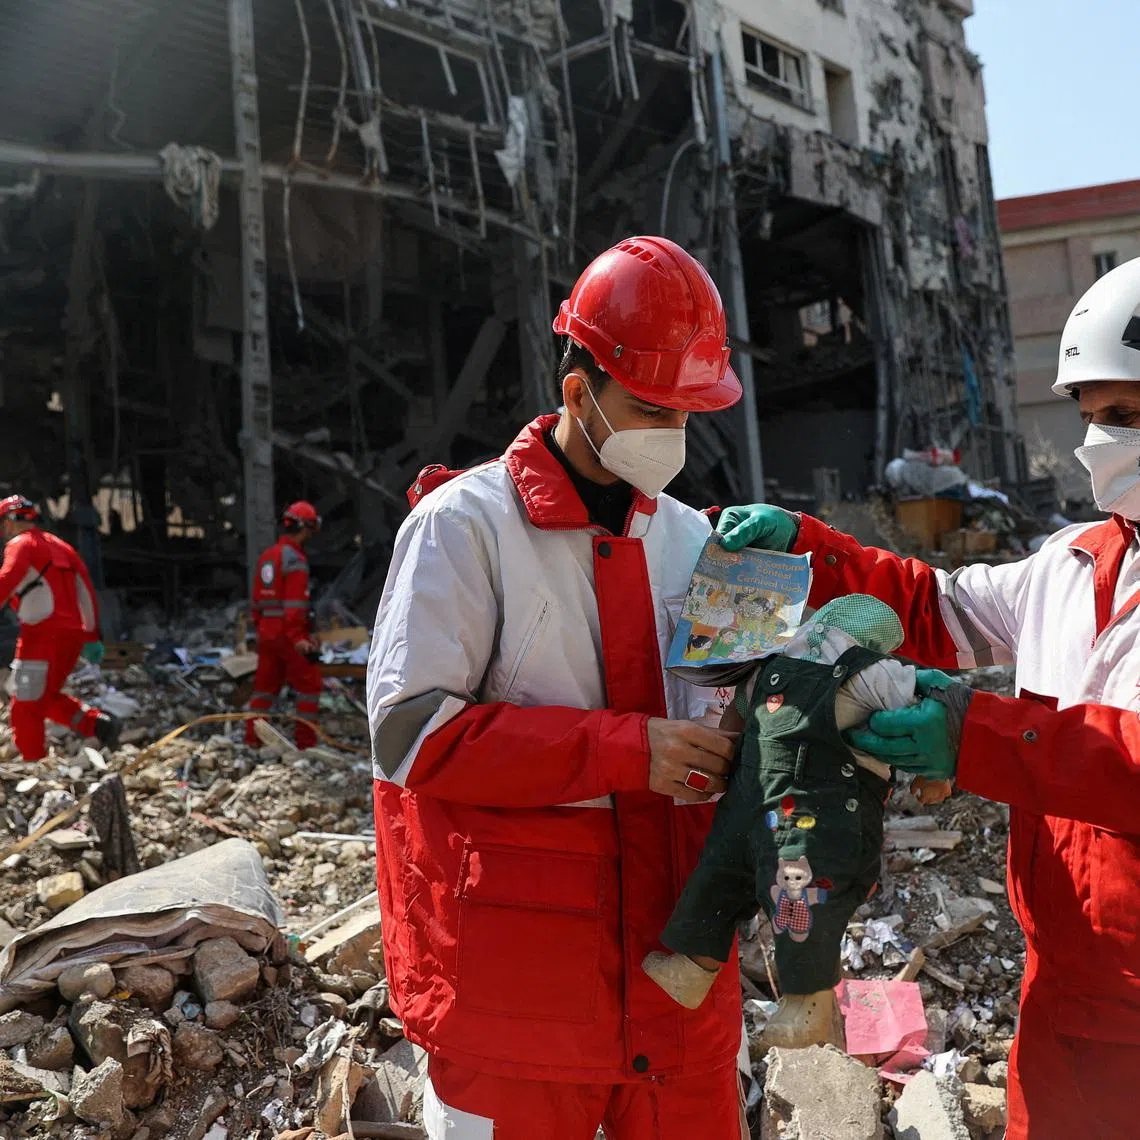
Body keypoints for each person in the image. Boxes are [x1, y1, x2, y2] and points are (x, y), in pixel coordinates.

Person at [713, 255, 1140, 1139]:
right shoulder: (1069, 565)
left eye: (1127, 416)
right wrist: (813, 550)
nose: (1101, 440)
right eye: (1093, 417)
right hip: (1063, 991)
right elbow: (932, 609)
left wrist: (975, 736)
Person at [368, 236, 755, 1140]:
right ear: (578, 391)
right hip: (520, 999)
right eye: (651, 409)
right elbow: (411, 737)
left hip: (677, 991)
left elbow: (732, 716)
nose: (672, 435)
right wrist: (630, 750)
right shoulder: (463, 527)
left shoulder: (698, 541)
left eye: (687, 413)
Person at [644, 595, 950, 1049]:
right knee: (722, 876)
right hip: (752, 805)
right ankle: (692, 964)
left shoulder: (866, 671)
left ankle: (807, 1001)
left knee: (799, 897)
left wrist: (936, 771)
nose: (818, 640)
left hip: (816, 815)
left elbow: (927, 722)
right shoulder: (778, 662)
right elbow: (741, 716)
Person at [0, 494, 117, 761]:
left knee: (25, 704)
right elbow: (86, 590)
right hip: (71, 637)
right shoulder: (62, 547)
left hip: (41, 637)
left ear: (8, 522)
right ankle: (95, 724)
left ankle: (33, 763)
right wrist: (90, 634)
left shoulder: (21, 544)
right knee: (45, 695)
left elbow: (5, 582)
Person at [246, 501, 322, 750]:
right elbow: (295, 605)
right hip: (288, 634)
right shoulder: (295, 560)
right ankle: (306, 744)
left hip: (267, 632)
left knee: (264, 689)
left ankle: (253, 740)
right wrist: (299, 637)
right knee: (309, 686)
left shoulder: (268, 556)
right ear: (306, 528)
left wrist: (261, 629)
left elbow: (256, 601)